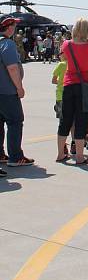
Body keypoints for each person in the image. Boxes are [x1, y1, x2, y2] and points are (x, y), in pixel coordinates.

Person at [56, 18, 88, 165]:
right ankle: (80, 157)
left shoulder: (67, 44)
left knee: (65, 119)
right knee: (81, 121)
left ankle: (61, 153)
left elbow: (63, 57)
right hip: (84, 85)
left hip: (68, 85)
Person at [0, 15, 34, 168]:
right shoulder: (8, 44)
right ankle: (15, 156)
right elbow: (12, 68)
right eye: (14, 26)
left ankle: (1, 154)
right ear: (9, 27)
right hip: (7, 92)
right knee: (15, 122)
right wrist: (19, 88)